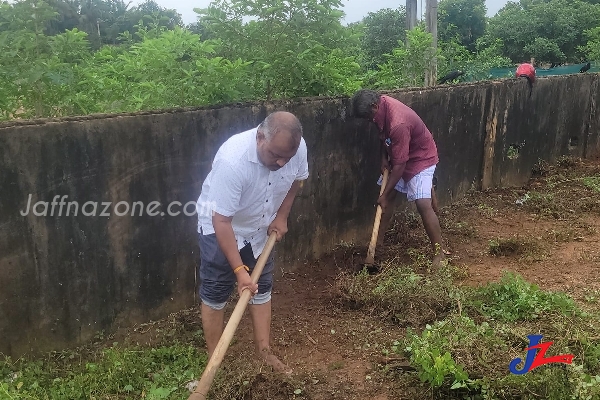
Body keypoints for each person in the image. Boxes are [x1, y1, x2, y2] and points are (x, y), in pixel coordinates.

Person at [195, 111, 309, 374]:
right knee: (215, 292)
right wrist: (239, 272)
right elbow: (221, 221)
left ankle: (264, 352)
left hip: (261, 226)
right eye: (274, 155)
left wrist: (281, 216)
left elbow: (297, 179)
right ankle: (215, 362)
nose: (281, 163)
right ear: (259, 137)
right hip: (221, 227)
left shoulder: (296, 148)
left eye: (287, 158)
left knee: (262, 287)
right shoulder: (232, 162)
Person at [351, 89, 445, 266]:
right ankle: (377, 245)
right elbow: (383, 136)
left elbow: (400, 165)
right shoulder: (381, 106)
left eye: (369, 117)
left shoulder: (398, 123)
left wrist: (385, 195)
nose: (370, 121)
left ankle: (439, 254)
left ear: (374, 105)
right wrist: (383, 157)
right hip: (399, 154)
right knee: (387, 197)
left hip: (421, 158)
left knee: (422, 203)